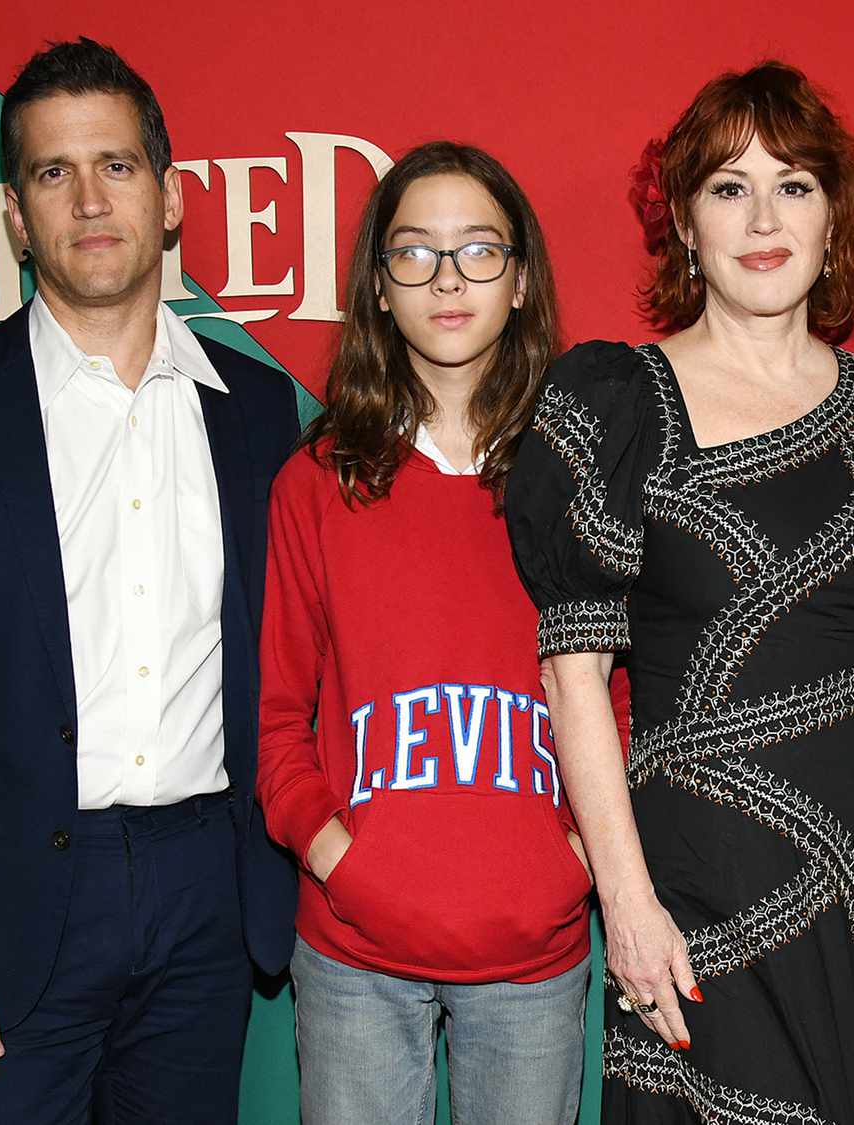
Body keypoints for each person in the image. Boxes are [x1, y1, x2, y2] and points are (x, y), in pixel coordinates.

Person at [0, 38, 299, 1125]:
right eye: (52, 172)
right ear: (15, 218)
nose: (89, 200)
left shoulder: (260, 415)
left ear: (170, 200)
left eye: (117, 166)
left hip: (202, 908)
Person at [506, 62, 854, 1124]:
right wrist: (627, 905)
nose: (764, 218)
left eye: (795, 185)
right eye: (729, 187)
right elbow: (574, 685)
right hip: (702, 901)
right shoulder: (616, 402)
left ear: (834, 214)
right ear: (682, 217)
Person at [257, 141, 595, 1125]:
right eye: (415, 253)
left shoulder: (577, 477)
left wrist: (565, 864)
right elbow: (278, 716)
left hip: (532, 953)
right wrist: (341, 862)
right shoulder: (315, 483)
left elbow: (622, 698)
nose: (448, 280)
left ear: (522, 278)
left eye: (479, 250)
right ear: (378, 283)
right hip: (355, 956)